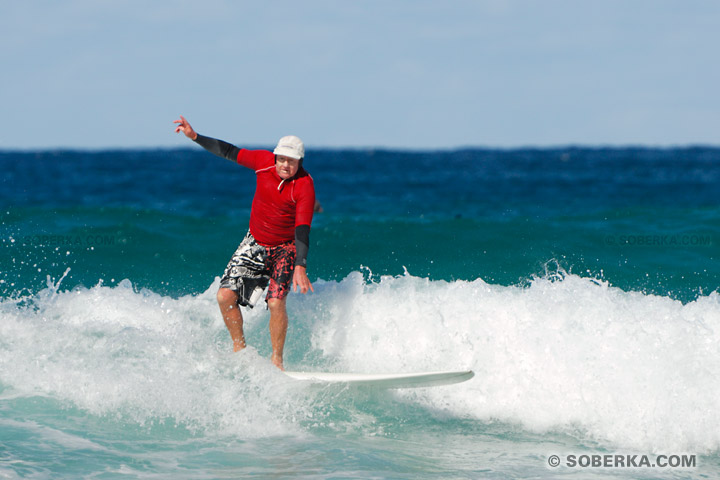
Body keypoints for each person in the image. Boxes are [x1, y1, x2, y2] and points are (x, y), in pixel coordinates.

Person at [174, 116, 315, 370]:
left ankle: (277, 361)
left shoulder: (304, 186)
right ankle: (240, 351)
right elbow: (228, 151)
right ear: (275, 157)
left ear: (299, 162)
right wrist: (195, 136)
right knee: (224, 295)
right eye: (281, 159)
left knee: (275, 302)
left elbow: (302, 228)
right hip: (255, 242)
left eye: (291, 161)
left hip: (285, 248)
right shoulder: (263, 163)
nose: (285, 165)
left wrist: (300, 266)